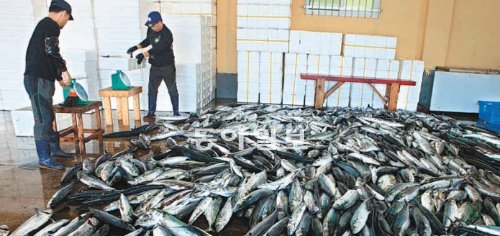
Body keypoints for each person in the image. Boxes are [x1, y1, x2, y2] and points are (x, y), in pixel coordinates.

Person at [24, 0, 74, 170]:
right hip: (37, 80)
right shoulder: (51, 25)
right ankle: (44, 158)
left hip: (43, 79)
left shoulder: (44, 26)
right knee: (42, 119)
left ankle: (54, 149)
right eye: (67, 19)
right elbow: (52, 51)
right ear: (63, 14)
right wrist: (64, 69)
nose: (66, 23)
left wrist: (58, 77)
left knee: (49, 117)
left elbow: (46, 56)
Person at [127, 11, 180, 120]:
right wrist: (136, 47)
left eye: (154, 25)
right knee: (152, 89)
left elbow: (158, 48)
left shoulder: (167, 35)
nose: (152, 28)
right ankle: (151, 112)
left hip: (167, 66)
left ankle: (176, 112)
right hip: (155, 66)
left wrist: (144, 54)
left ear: (160, 22)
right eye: (150, 26)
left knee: (172, 89)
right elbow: (148, 40)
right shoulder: (151, 28)